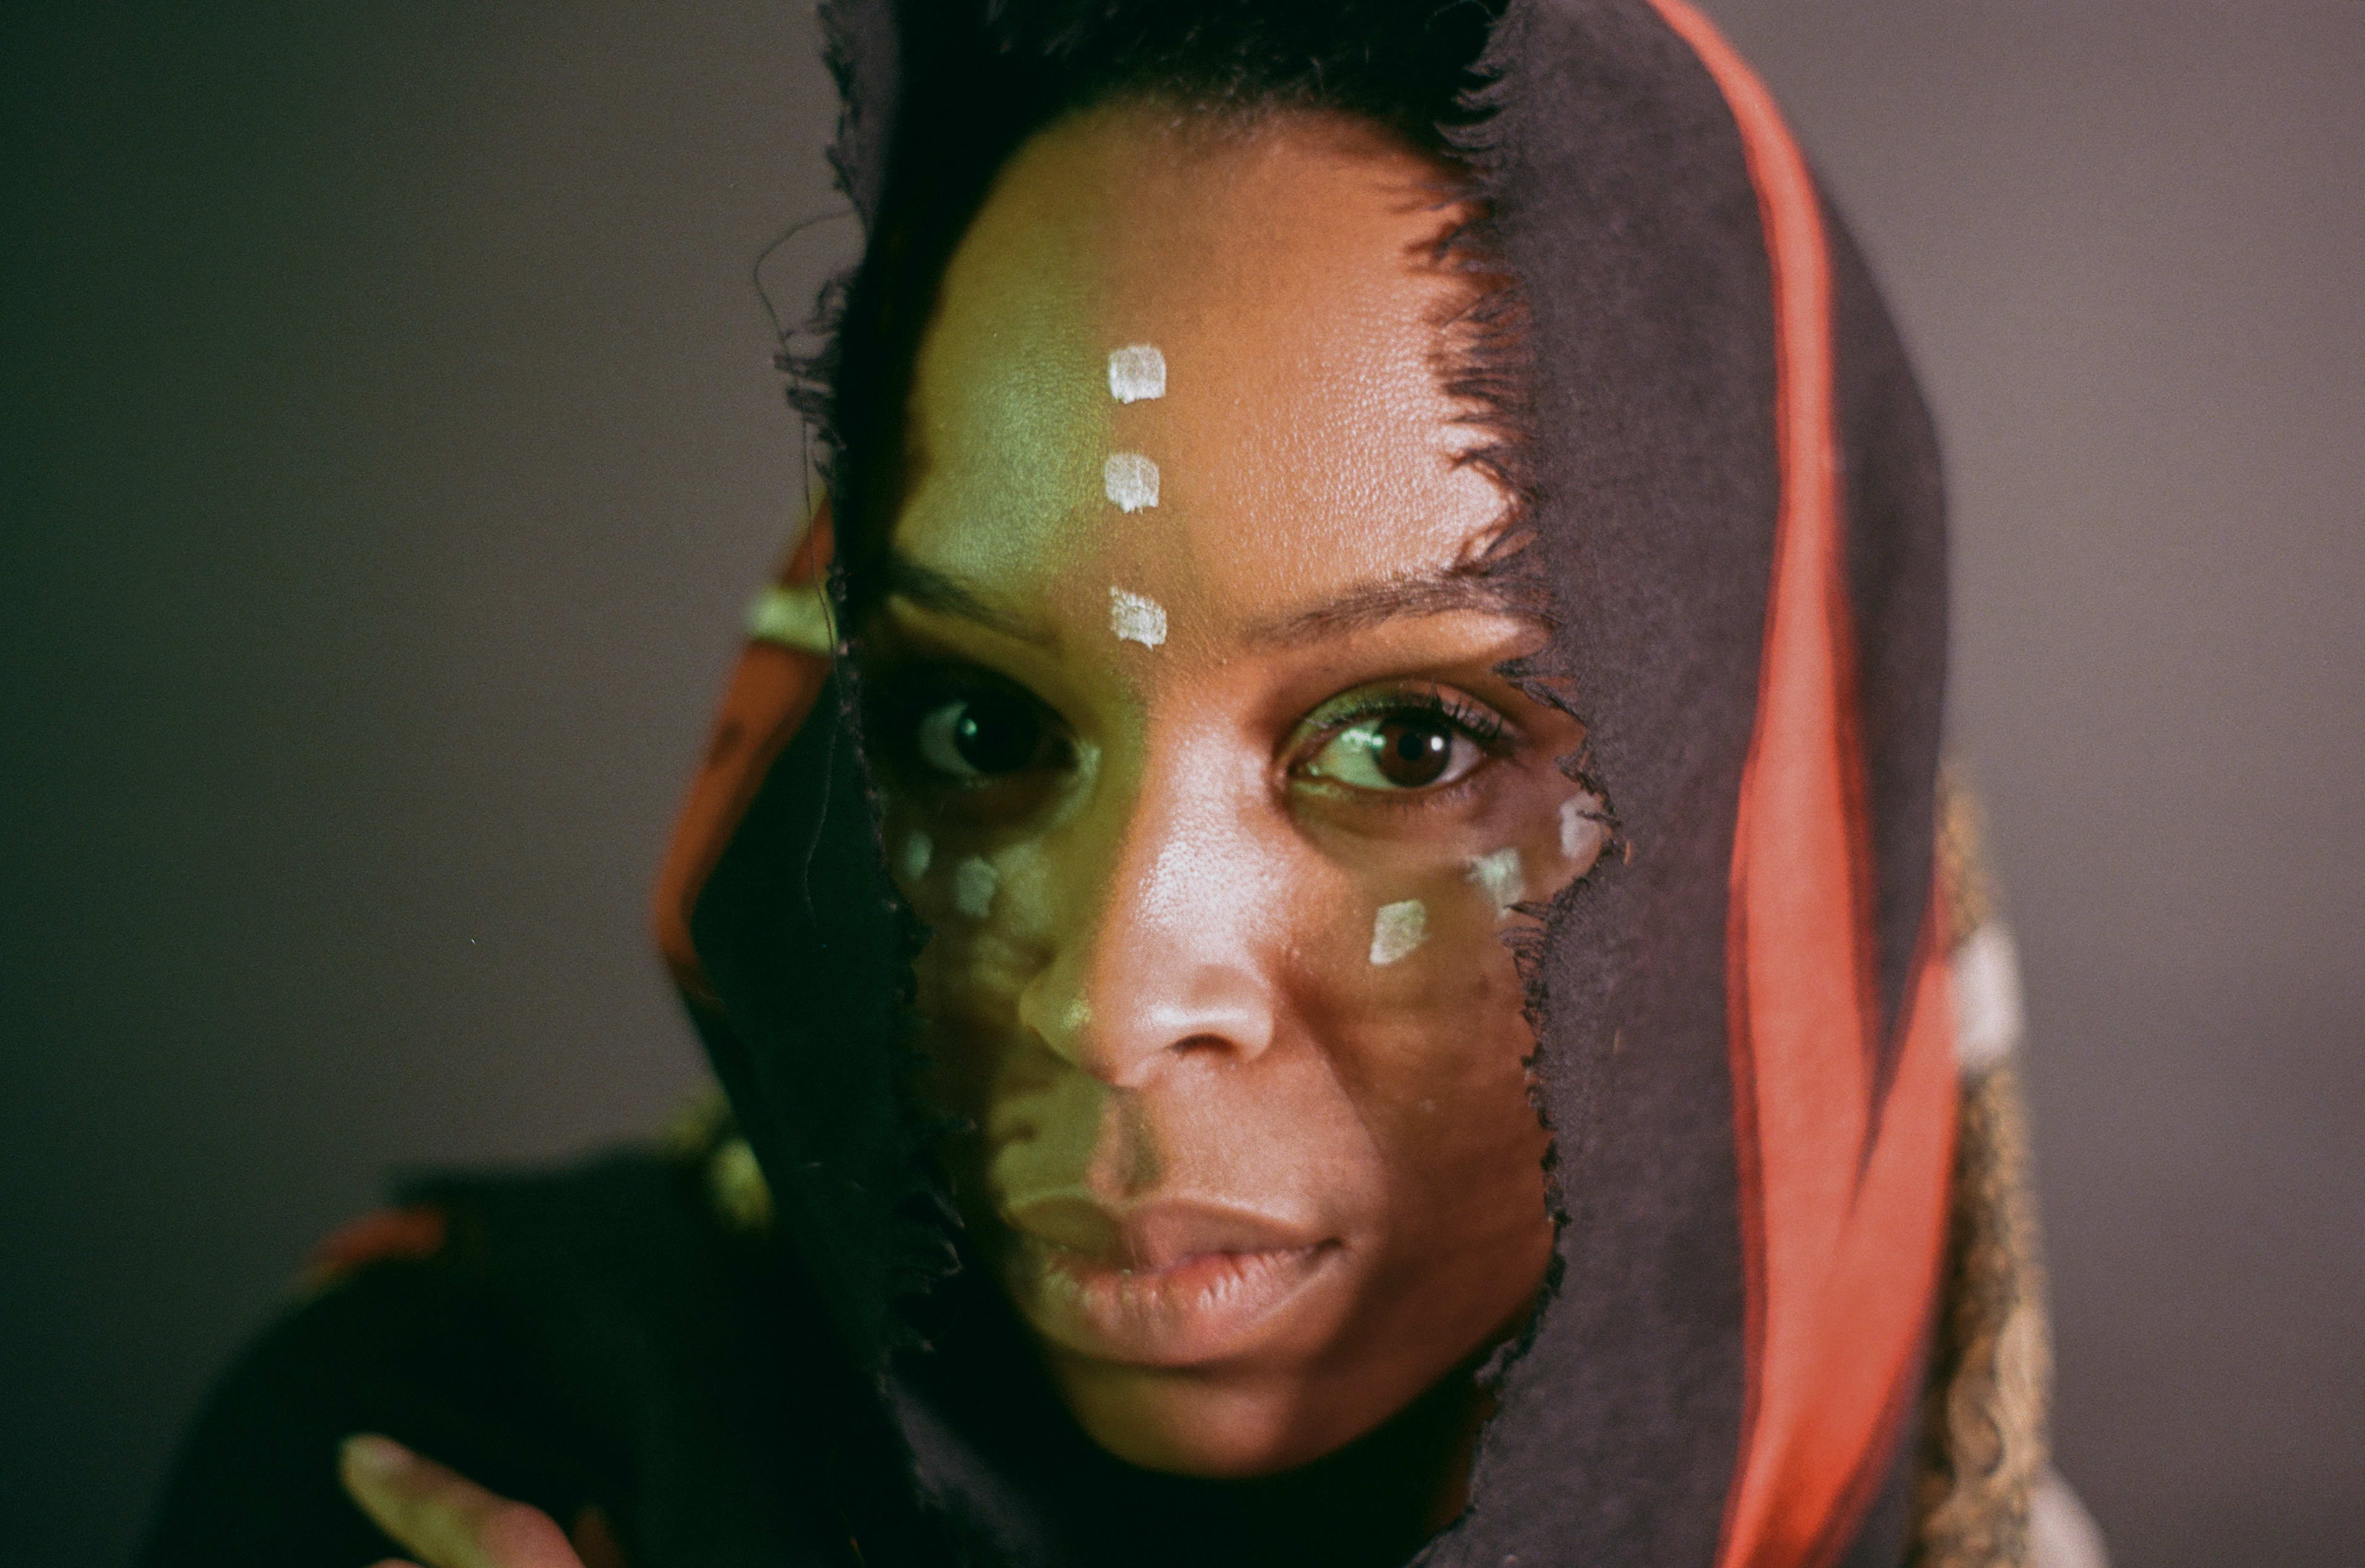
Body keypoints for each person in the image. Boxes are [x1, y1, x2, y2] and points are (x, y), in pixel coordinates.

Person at [140, 2, 2103, 1565]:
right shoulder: (462, 1452)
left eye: (1414, 743)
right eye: (982, 729)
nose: (1110, 996)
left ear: (1769, 833)